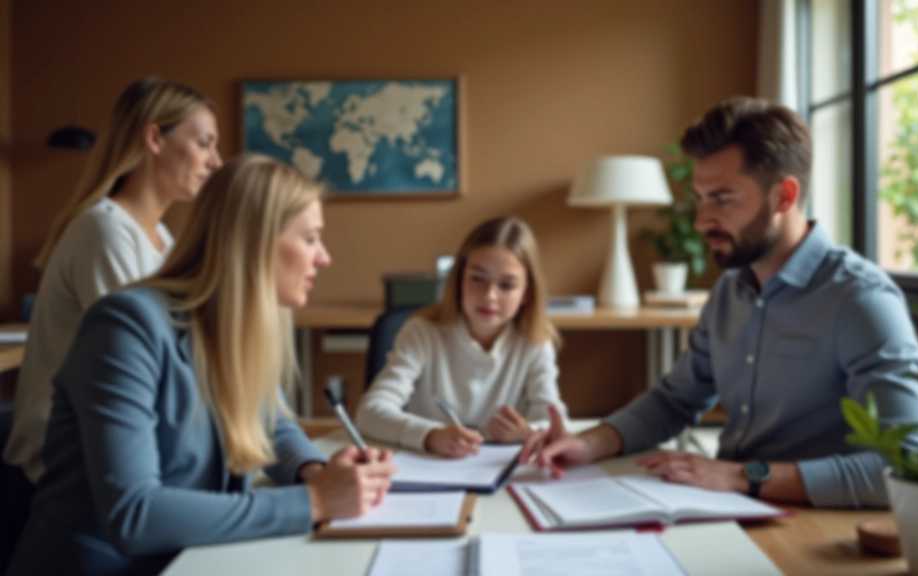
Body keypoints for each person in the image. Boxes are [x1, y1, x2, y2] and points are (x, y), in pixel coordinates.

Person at [521, 97, 918, 508]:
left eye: (722, 198)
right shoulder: (730, 290)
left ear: (784, 196)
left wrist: (741, 476)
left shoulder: (861, 300)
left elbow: (909, 464)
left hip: (808, 522)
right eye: (700, 198)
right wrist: (589, 444)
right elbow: (674, 400)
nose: (701, 221)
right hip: (728, 508)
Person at [6, 155, 397, 576]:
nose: (324, 258)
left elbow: (270, 422)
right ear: (254, 242)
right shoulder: (125, 327)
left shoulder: (236, 324)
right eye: (310, 238)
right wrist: (316, 503)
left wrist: (316, 473)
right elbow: (134, 513)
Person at [4, 77, 224, 487]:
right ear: (154, 139)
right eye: (204, 143)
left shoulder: (162, 239)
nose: (216, 162)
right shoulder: (104, 231)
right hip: (64, 458)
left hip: (115, 437)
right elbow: (146, 360)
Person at [356, 217, 568, 458]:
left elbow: (554, 421)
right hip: (428, 465)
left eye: (507, 285)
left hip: (497, 469)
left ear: (527, 293)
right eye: (477, 278)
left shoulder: (534, 343)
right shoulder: (421, 333)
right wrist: (430, 435)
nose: (489, 296)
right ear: (458, 280)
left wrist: (528, 432)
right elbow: (370, 413)